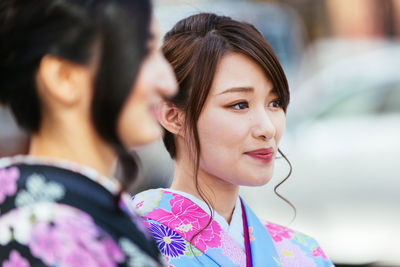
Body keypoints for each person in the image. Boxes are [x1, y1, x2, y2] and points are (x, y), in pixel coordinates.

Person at [132, 13, 334, 266]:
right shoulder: (129, 243)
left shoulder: (304, 254)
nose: (267, 128)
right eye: (239, 104)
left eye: (275, 103)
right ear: (173, 116)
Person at [0, 0, 177, 266]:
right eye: (144, 52)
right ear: (64, 77)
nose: (169, 83)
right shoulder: (50, 234)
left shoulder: (49, 217)